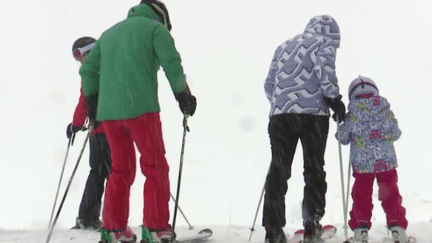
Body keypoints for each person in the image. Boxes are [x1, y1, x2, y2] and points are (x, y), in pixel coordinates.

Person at [79, 1, 197, 242]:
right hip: (142, 109)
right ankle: (155, 228)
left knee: (120, 170)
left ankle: (113, 229)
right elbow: (171, 63)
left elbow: (88, 71)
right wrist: (183, 95)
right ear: (162, 17)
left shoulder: (109, 34)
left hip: (110, 114)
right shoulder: (155, 30)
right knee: (155, 167)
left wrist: (93, 106)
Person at [262, 15, 346, 243]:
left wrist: (283, 103)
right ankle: (311, 223)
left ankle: (273, 228)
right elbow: (325, 72)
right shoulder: (322, 43)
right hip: (313, 116)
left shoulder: (283, 46)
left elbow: (269, 84)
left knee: (279, 169)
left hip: (280, 116)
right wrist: (335, 100)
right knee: (314, 168)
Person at [335, 76, 409, 243]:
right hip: (386, 163)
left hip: (362, 166)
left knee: (362, 196)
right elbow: (396, 133)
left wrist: (340, 123)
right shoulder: (385, 110)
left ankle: (360, 229)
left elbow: (343, 138)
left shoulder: (351, 115)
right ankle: (398, 227)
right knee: (390, 193)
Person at [68, 36, 111, 230]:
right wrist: (76, 124)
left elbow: (84, 99)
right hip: (112, 128)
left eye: (79, 55)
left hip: (103, 131)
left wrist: (76, 124)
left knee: (102, 172)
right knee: (111, 173)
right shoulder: (110, 63)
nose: (79, 61)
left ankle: (90, 218)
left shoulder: (92, 69)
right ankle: (100, 218)